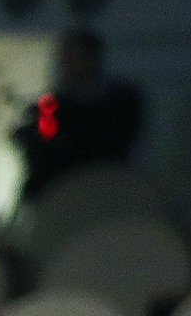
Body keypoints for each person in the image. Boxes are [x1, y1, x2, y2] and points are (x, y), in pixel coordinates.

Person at [12, 28, 145, 196]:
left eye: (73, 58)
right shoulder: (52, 103)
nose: (65, 65)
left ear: (91, 58)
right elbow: (44, 138)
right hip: (56, 190)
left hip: (100, 187)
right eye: (64, 59)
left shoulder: (120, 100)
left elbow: (110, 145)